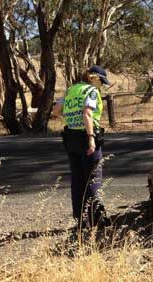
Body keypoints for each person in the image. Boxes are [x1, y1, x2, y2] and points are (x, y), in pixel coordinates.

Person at [53, 65, 110, 229]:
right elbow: (87, 113)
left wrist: (71, 117)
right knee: (92, 178)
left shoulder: (71, 90)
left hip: (70, 139)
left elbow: (56, 111)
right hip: (86, 138)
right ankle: (97, 219)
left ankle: (80, 219)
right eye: (101, 81)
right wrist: (91, 137)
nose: (101, 85)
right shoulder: (91, 91)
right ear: (94, 78)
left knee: (77, 179)